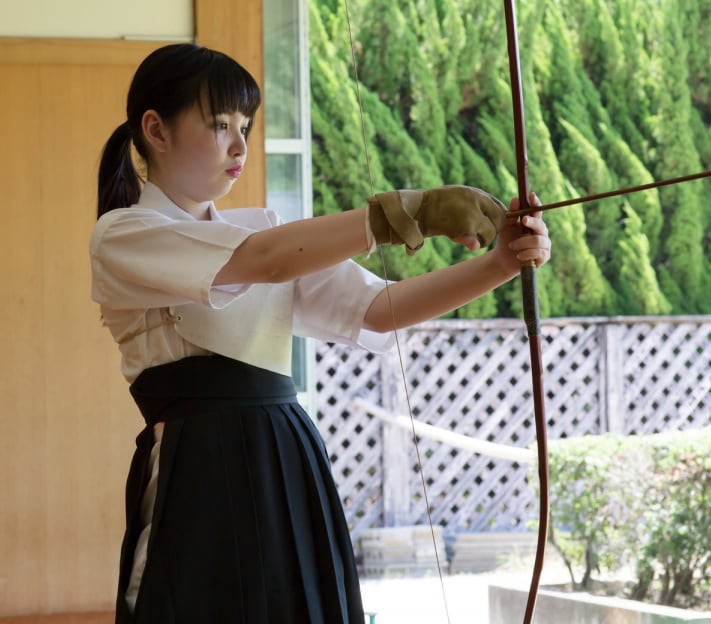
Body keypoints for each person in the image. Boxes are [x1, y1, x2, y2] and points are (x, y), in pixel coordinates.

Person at [90, 42, 551, 623]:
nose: (240, 145)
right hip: (196, 469)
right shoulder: (125, 234)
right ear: (155, 129)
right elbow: (264, 261)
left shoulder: (265, 232)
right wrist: (405, 215)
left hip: (286, 457)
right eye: (220, 125)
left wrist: (499, 265)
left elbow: (378, 308)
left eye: (246, 126)